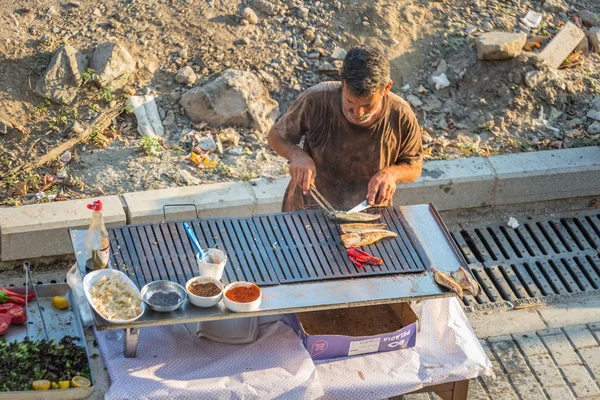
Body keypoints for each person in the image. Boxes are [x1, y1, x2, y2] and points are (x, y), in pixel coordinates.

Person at [268, 45, 423, 212]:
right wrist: (297, 156)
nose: (358, 112)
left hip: (368, 213)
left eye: (367, 105)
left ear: (386, 88)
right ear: (342, 81)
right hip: (309, 209)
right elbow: (276, 136)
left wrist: (392, 174)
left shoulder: (400, 114)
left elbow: (414, 167)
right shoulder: (316, 100)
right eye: (350, 102)